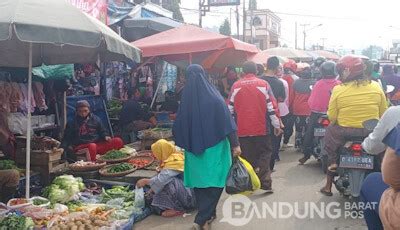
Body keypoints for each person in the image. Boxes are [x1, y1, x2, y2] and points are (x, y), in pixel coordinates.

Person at [173, 64, 240, 230]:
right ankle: (201, 218)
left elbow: (177, 126)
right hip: (215, 147)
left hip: (193, 150)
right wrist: (235, 144)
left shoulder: (186, 99)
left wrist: (185, 141)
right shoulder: (215, 98)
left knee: (200, 184)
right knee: (216, 182)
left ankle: (208, 214)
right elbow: (227, 122)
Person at [320, 55, 387, 196]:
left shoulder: (338, 89)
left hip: (344, 132)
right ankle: (384, 166)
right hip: (370, 131)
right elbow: (383, 114)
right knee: (384, 147)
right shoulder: (376, 86)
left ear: (346, 72)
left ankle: (329, 180)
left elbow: (332, 117)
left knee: (330, 133)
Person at [229, 61, 282, 192]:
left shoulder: (235, 86)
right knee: (265, 154)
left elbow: (229, 109)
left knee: (247, 157)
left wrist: (231, 130)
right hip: (261, 128)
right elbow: (272, 107)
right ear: (257, 71)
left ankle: (249, 184)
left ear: (242, 72)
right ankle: (265, 183)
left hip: (242, 130)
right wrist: (277, 124)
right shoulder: (263, 84)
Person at [136, 139, 196, 217]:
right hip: (189, 192)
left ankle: (176, 209)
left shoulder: (175, 160)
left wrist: (145, 181)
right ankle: (171, 206)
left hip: (190, 197)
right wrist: (152, 189)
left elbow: (163, 179)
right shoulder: (174, 156)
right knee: (160, 183)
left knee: (168, 182)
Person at [299, 61, 340, 164]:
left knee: (309, 133)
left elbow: (311, 102)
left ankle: (306, 155)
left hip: (317, 114)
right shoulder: (339, 84)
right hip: (334, 115)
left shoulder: (318, 84)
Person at [360, 124, 400, 230]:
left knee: (371, 180)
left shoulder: (392, 112)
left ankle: (331, 162)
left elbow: (390, 177)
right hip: (363, 131)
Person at [259, 57, 286, 170]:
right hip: (274, 115)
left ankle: (261, 166)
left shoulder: (258, 81)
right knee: (274, 141)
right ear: (276, 68)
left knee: (262, 141)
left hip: (260, 115)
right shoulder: (279, 83)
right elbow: (281, 100)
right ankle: (270, 166)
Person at [291, 63, 315, 149]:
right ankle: (306, 144)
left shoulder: (296, 83)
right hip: (309, 109)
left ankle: (298, 143)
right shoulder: (314, 83)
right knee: (308, 128)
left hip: (297, 108)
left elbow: (292, 96)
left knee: (298, 127)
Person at [282, 60, 299, 148]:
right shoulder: (296, 78)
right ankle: (285, 142)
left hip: (280, 106)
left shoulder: (280, 77)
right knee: (289, 126)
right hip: (291, 106)